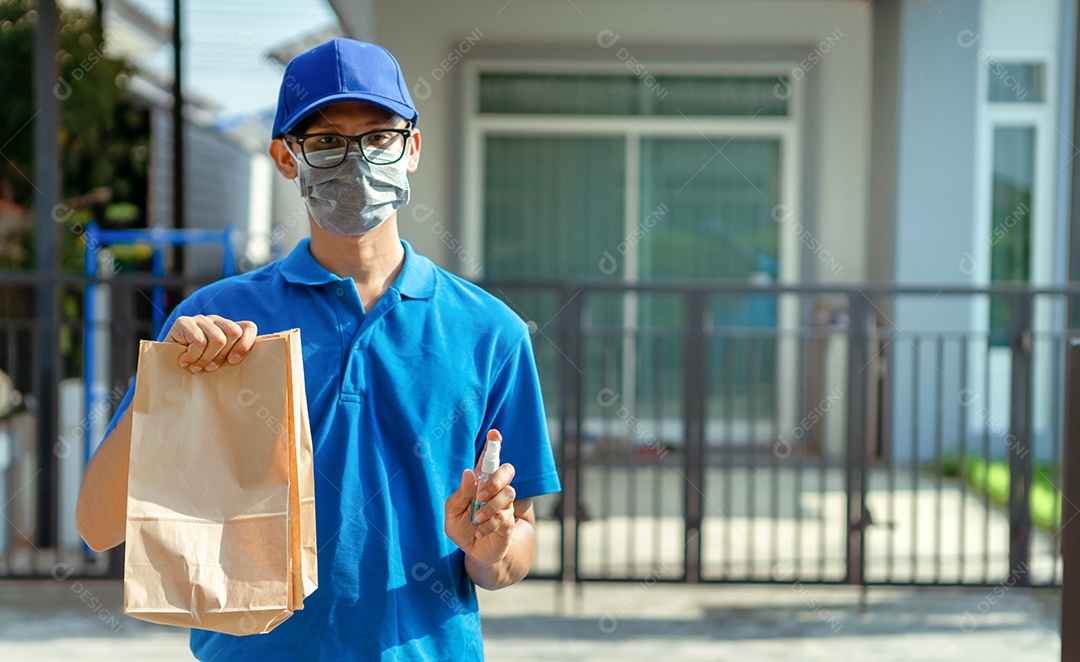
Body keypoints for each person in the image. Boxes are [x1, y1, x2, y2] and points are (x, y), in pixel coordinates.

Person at [75, 38, 561, 661]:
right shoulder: (210, 321)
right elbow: (97, 526)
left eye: (379, 137)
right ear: (284, 158)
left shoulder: (491, 331)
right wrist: (166, 381)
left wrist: (491, 549)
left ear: (411, 149)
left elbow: (511, 552)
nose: (355, 160)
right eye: (326, 141)